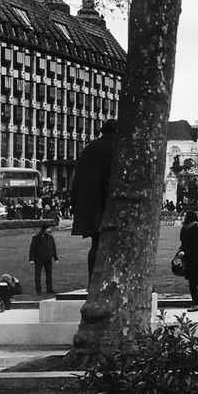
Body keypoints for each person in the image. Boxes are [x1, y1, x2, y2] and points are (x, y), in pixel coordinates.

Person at [70, 117, 118, 282]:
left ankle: (93, 282)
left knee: (96, 246)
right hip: (114, 208)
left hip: (93, 209)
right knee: (116, 248)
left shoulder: (90, 148)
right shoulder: (119, 148)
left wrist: (75, 205)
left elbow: (77, 180)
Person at [179, 210, 198, 311]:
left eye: (184, 216)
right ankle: (195, 303)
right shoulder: (185, 229)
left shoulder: (197, 229)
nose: (183, 218)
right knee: (192, 282)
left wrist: (185, 252)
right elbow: (184, 244)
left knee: (197, 280)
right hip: (190, 258)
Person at [28, 222, 58, 295]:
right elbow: (32, 248)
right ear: (44, 229)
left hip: (48, 257)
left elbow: (53, 247)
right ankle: (38, 289)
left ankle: (49, 288)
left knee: (49, 273)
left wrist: (55, 258)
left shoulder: (50, 237)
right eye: (48, 228)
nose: (49, 230)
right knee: (38, 273)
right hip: (39, 258)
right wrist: (31, 259)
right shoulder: (37, 237)